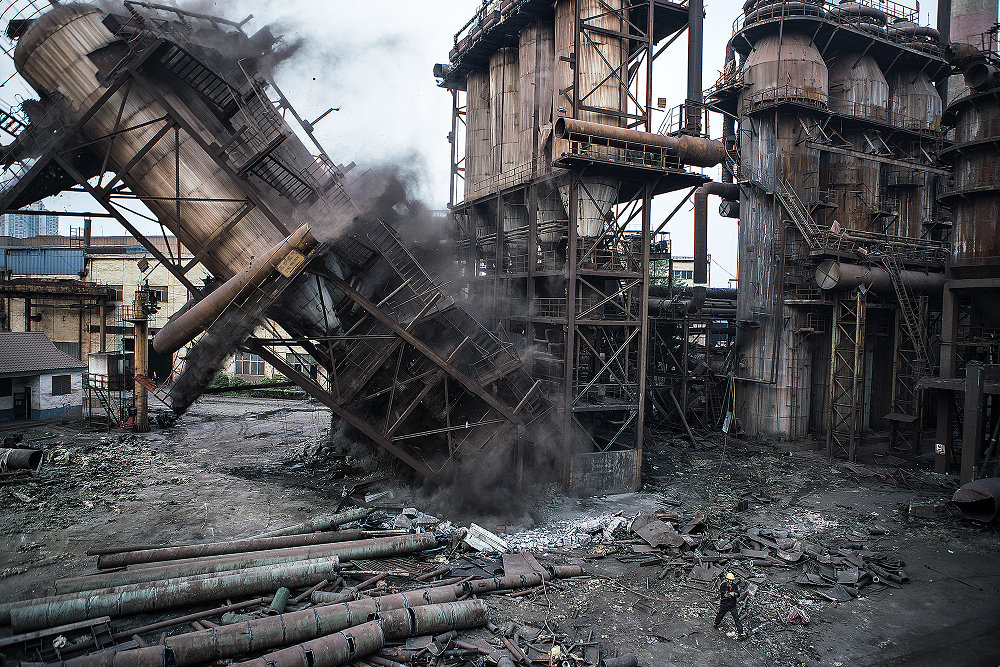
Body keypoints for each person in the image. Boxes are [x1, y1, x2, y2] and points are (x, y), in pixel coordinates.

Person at [713, 572, 745, 638]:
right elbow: (723, 594)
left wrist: (735, 594)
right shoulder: (723, 585)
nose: (731, 581)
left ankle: (741, 633)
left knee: (736, 618)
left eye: (732, 580)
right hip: (724, 604)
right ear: (727, 579)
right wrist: (730, 594)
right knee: (720, 615)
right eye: (730, 580)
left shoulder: (734, 586)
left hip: (732, 605)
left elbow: (738, 594)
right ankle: (716, 623)